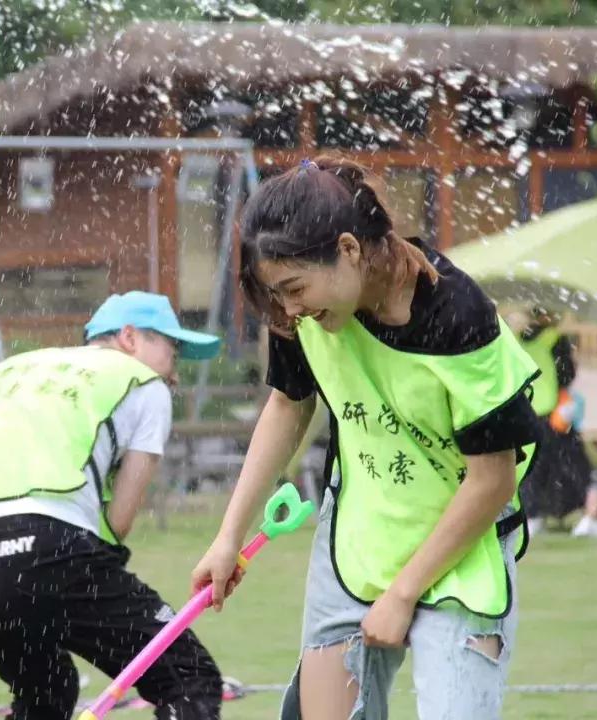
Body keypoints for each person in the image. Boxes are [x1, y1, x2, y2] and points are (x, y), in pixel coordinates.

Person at [190, 158, 541, 720]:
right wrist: (228, 535)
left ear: (349, 249)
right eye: (278, 295)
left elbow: (493, 479)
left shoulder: (459, 315)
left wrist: (403, 594)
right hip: (356, 540)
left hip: (461, 550)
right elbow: (288, 403)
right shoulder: (302, 318)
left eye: (295, 288)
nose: (289, 308)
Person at [0, 291, 224, 720]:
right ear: (130, 337)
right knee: (189, 677)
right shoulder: (145, 384)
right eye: (172, 352)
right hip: (52, 547)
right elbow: (117, 524)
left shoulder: (3, 372)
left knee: (47, 693)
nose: (174, 374)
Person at [517, 307, 592, 532]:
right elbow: (566, 373)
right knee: (567, 461)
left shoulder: (518, 338)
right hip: (552, 408)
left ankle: (531, 514)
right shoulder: (556, 338)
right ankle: (576, 510)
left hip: (526, 408)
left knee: (531, 464)